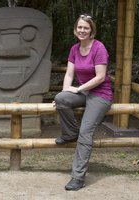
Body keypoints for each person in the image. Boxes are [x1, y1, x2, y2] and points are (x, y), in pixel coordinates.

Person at [53, 14, 113, 191]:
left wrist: (78, 89)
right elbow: (69, 75)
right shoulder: (74, 49)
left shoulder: (99, 48)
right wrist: (65, 92)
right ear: (75, 29)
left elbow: (101, 77)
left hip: (100, 94)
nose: (82, 30)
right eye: (79, 27)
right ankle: (70, 133)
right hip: (85, 91)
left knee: (86, 131)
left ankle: (78, 178)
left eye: (86, 28)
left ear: (91, 30)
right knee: (60, 98)